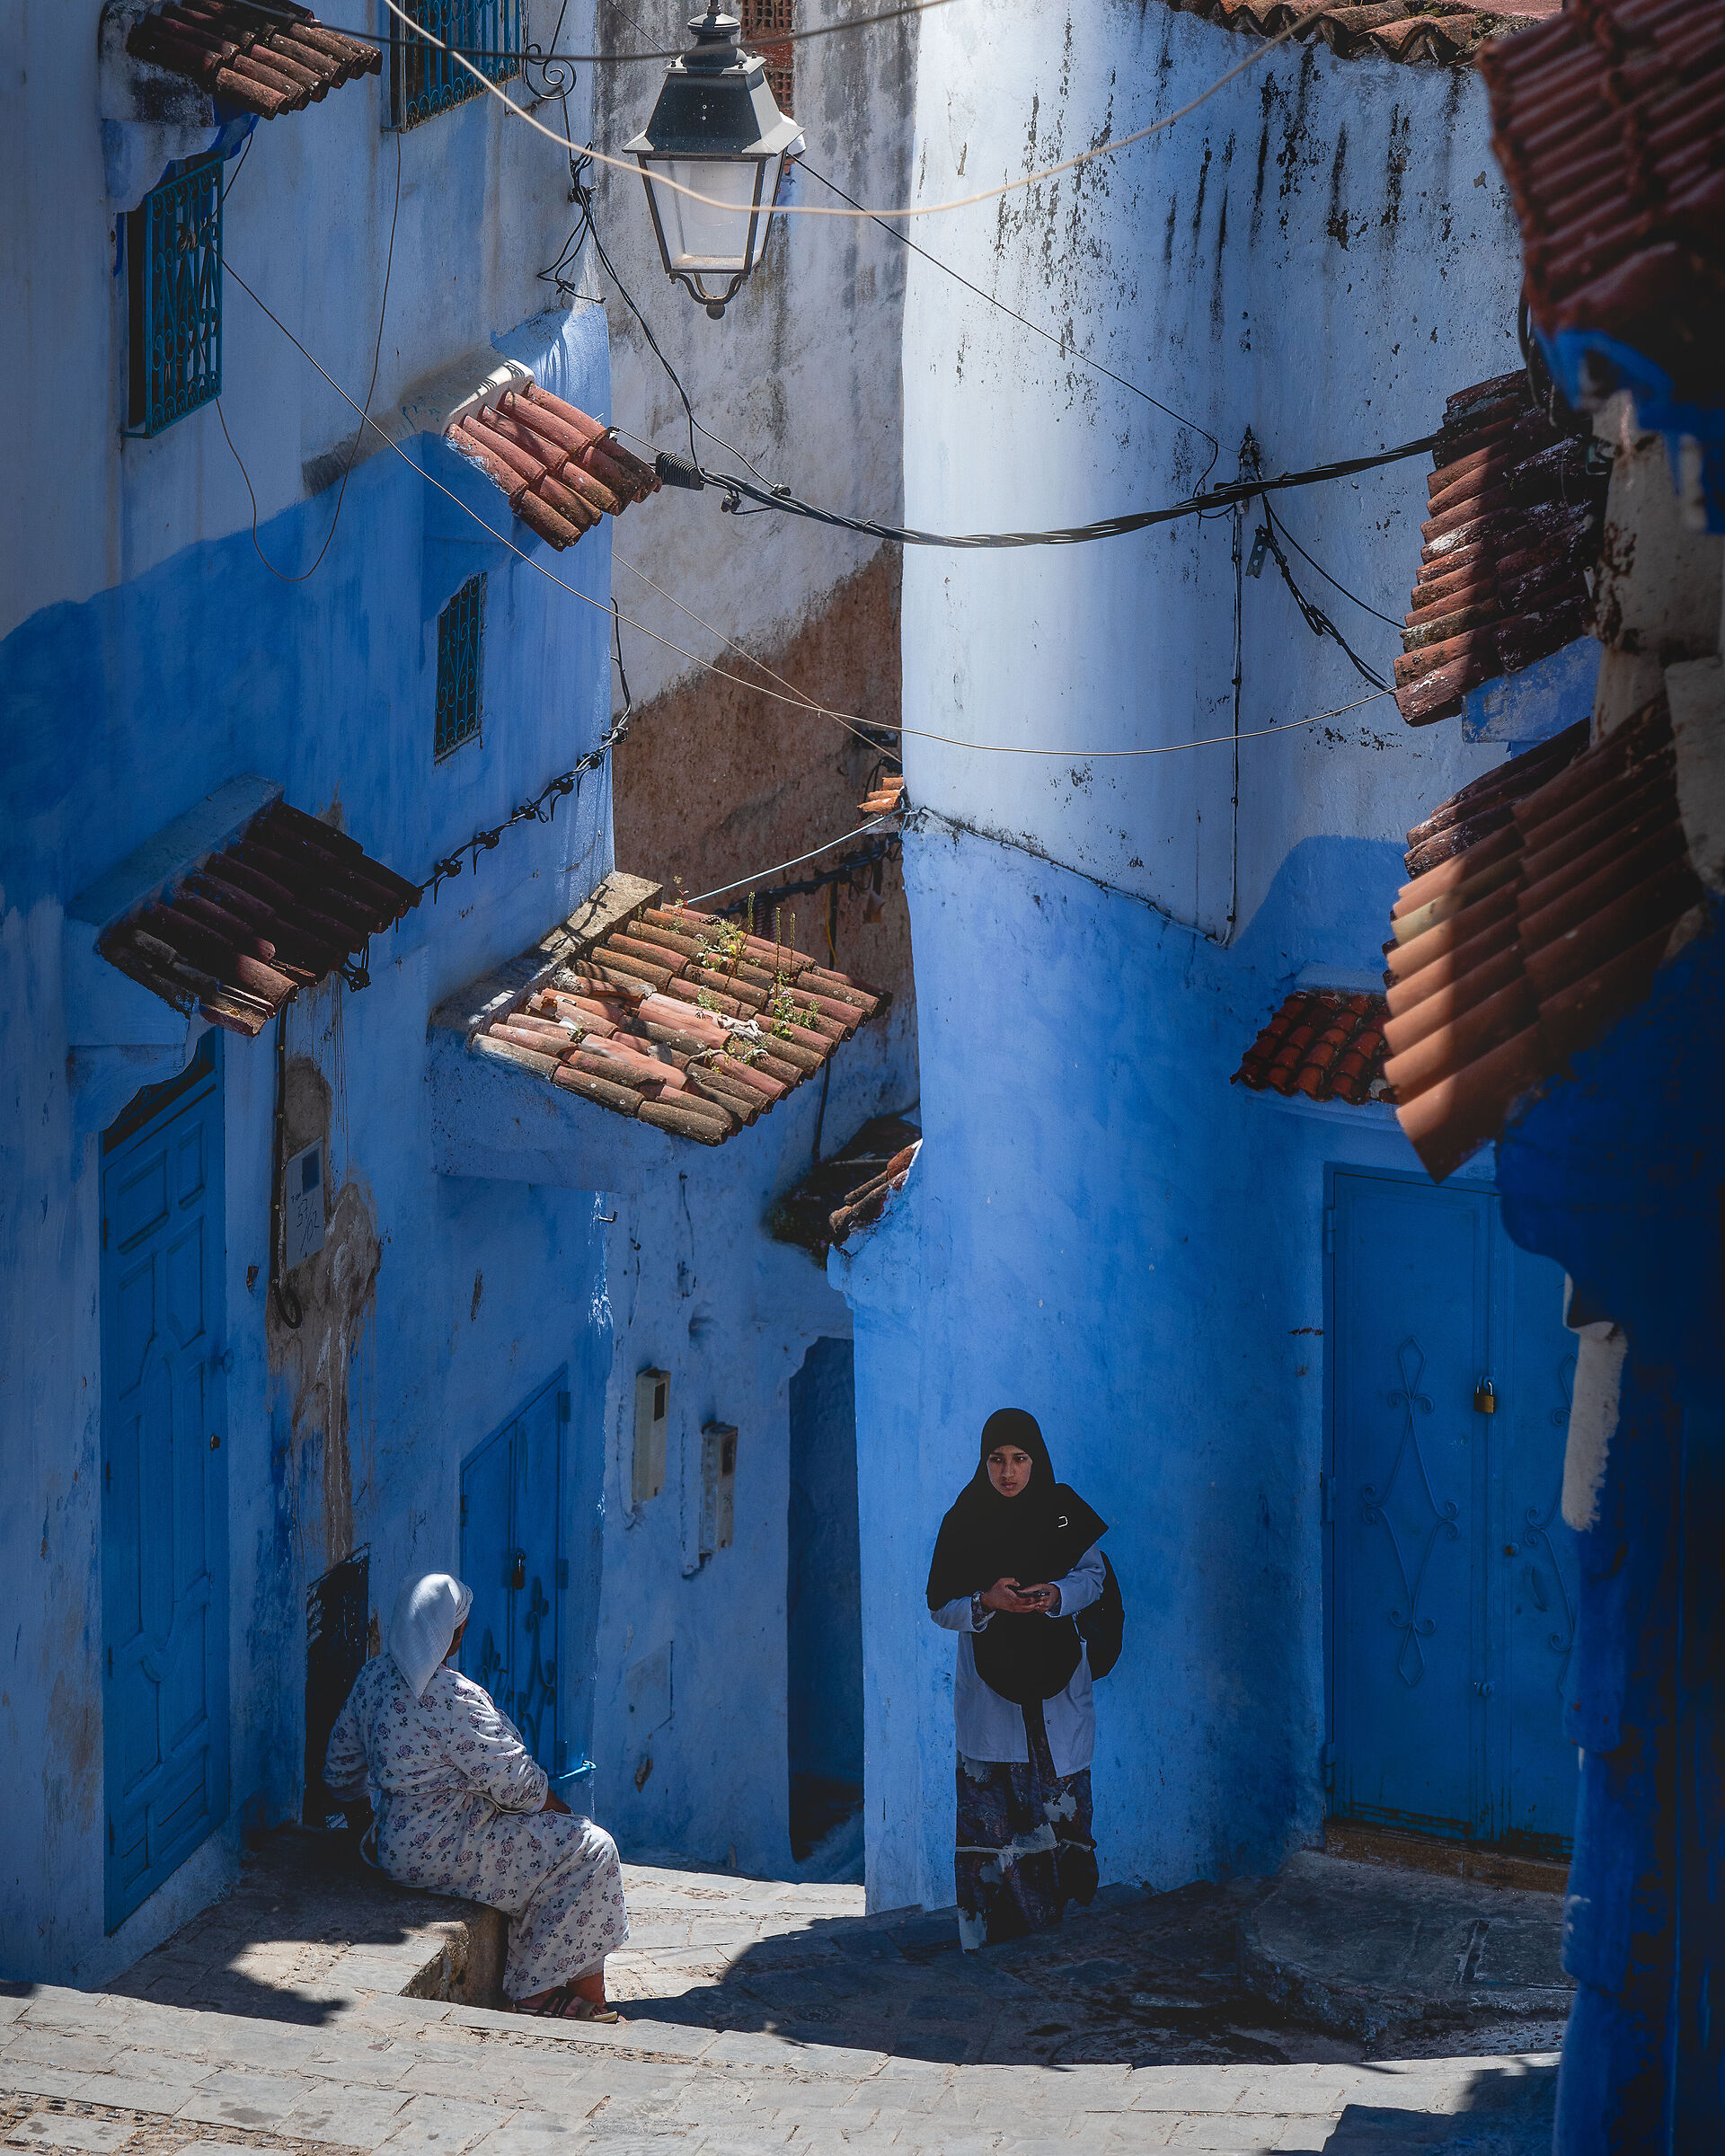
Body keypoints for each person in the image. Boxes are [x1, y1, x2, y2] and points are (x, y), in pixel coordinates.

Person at [323, 1571, 629, 2020]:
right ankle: (540, 1993)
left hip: (393, 1851)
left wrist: (366, 1827)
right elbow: (519, 1786)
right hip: (450, 1850)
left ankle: (572, 1991)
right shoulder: (453, 1699)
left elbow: (339, 1768)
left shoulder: (374, 1680)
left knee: (567, 1850)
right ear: (452, 1634)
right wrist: (568, 1818)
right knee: (591, 1849)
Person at [926, 1409, 1107, 1949]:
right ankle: (997, 1939)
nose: (1008, 1473)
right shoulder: (963, 1519)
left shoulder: (1062, 1511)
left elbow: (1092, 1577)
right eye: (997, 1460)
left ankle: (1056, 1932)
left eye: (1020, 1460)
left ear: (1037, 1461)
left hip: (1054, 1683)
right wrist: (987, 1600)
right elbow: (940, 1605)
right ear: (984, 1463)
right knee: (994, 1822)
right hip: (991, 1688)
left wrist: (1054, 1595)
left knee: (1059, 1808)